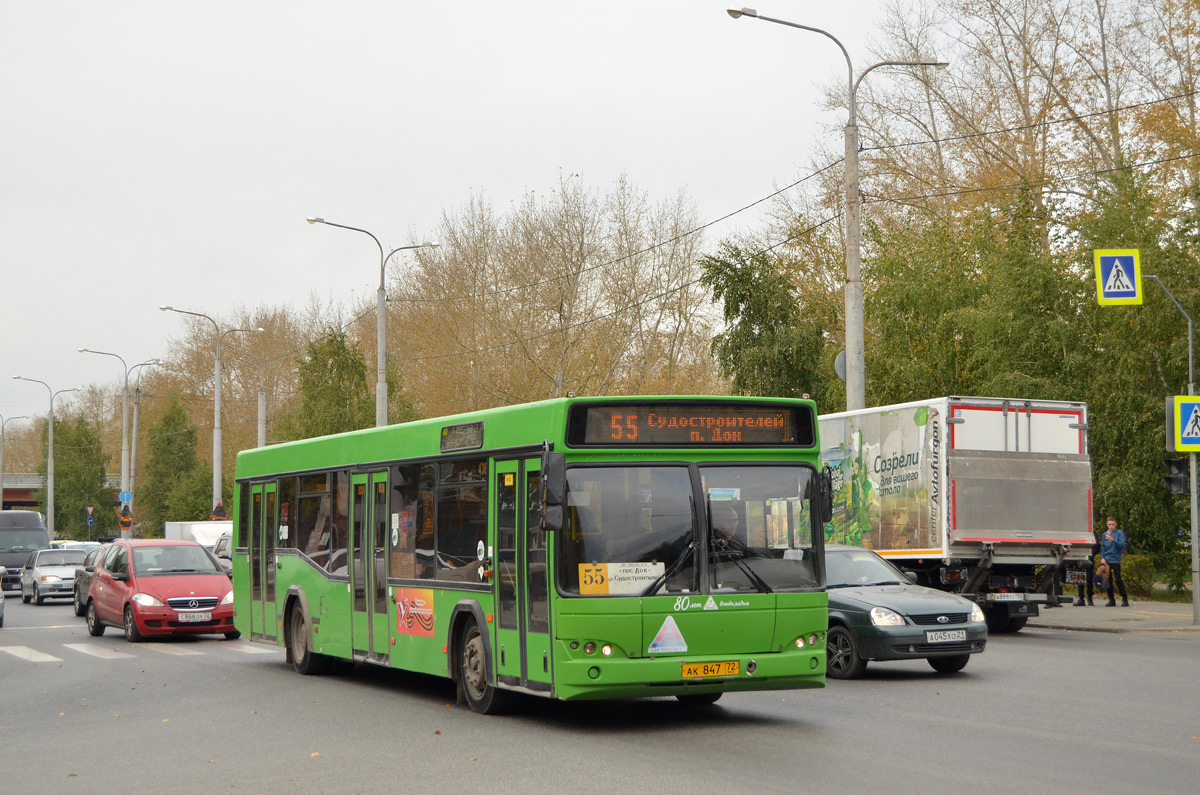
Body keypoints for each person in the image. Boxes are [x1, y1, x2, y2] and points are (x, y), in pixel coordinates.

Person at [1101, 516, 1129, 607]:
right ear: (1107, 524)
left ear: (1116, 524)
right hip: (1107, 560)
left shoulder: (1119, 533)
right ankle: (1111, 599)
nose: (1111, 526)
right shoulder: (1105, 534)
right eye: (1109, 524)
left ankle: (1124, 598)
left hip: (1116, 559)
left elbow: (1122, 545)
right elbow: (1103, 547)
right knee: (1108, 580)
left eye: (1113, 524)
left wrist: (1113, 540)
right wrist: (1103, 557)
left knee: (1118, 580)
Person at [1073, 527, 1099, 606]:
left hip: (1089, 558)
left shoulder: (1092, 532)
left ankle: (1090, 598)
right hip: (1079, 557)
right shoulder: (1078, 532)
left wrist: (1091, 555)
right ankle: (1081, 599)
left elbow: (1097, 545)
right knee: (1080, 578)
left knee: (1089, 579)